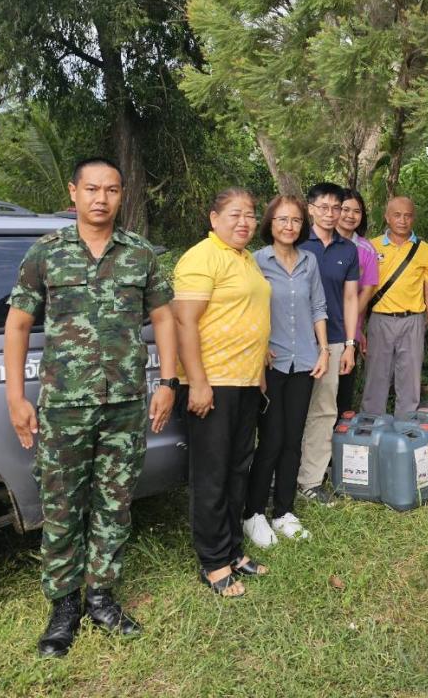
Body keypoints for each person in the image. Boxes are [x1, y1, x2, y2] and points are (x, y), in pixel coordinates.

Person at [4, 157, 178, 657]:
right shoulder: (46, 254)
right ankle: (64, 606)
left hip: (125, 402)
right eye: (92, 189)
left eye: (112, 190)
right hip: (65, 405)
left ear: (122, 196)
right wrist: (16, 397)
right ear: (74, 192)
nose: (101, 199)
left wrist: (166, 382)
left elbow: (164, 320)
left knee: (114, 503)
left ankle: (101, 595)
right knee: (61, 507)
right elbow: (18, 326)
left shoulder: (140, 254)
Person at [172, 188, 271, 597]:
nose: (244, 222)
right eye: (234, 214)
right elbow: (183, 323)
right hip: (212, 383)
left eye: (250, 214)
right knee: (212, 475)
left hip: (244, 382)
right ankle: (212, 561)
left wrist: (260, 372)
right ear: (214, 218)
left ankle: (232, 551)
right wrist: (197, 382)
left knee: (236, 470)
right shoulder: (201, 257)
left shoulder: (245, 259)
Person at [244, 195, 329, 548]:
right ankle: (253, 513)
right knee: (272, 439)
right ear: (270, 223)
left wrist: (323, 350)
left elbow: (318, 307)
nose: (289, 226)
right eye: (282, 220)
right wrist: (259, 345)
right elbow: (247, 306)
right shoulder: (256, 261)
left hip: (305, 360)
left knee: (294, 439)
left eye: (295, 220)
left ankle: (283, 511)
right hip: (272, 362)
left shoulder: (309, 261)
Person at [296, 182, 360, 505]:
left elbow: (350, 298)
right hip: (294, 340)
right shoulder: (294, 242)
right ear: (310, 209)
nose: (331, 213)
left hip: (334, 340)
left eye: (337, 208)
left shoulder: (348, 250)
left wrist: (350, 343)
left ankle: (310, 481)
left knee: (323, 410)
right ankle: (280, 476)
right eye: (324, 207)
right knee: (288, 412)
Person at [362, 196, 428, 416]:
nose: (402, 220)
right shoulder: (371, 246)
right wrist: (358, 330)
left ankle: (404, 435)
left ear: (413, 219)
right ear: (387, 217)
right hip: (380, 321)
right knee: (375, 380)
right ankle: (371, 431)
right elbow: (361, 291)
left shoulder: (425, 250)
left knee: (410, 382)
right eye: (397, 215)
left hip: (413, 321)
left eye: (407, 215)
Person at [335, 188, 380, 417]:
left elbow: (367, 291)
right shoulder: (316, 243)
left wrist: (350, 325)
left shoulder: (366, 249)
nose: (350, 216)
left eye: (357, 211)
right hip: (318, 330)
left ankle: (339, 447)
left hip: (348, 335)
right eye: (345, 209)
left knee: (342, 395)